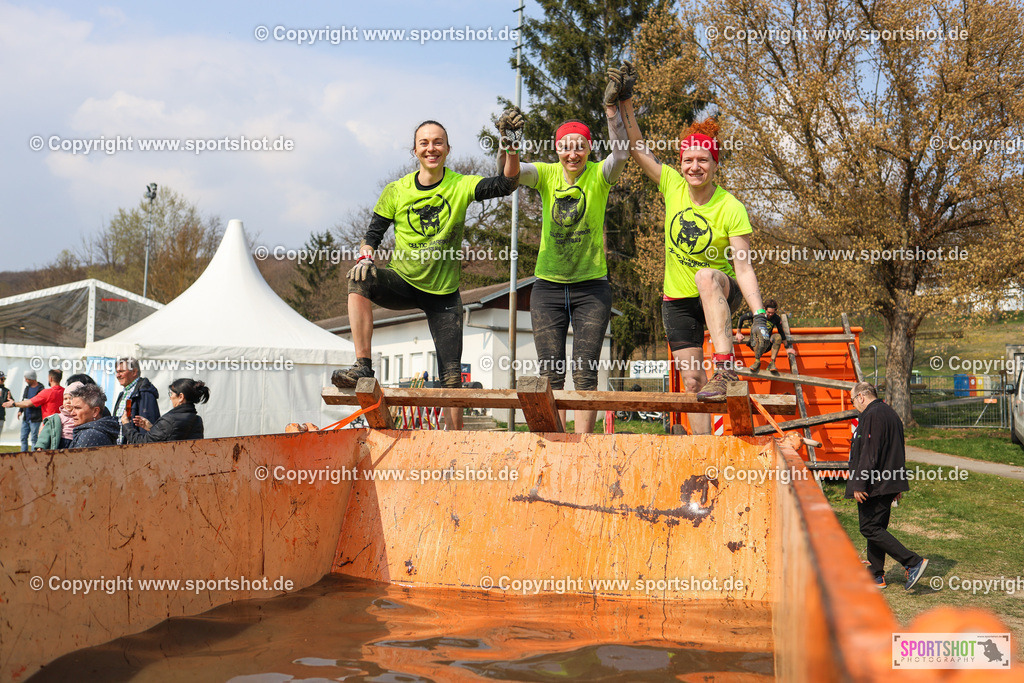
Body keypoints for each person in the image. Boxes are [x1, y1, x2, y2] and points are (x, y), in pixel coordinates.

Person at [332, 116, 522, 431]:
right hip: (403, 282)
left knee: (451, 379)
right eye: (424, 143)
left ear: (447, 149)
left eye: (437, 142)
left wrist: (511, 146)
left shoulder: (460, 185)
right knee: (358, 276)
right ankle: (363, 366)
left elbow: (506, 184)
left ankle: (455, 445)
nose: (431, 148)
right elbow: (372, 235)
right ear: (415, 150)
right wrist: (366, 257)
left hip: (444, 296)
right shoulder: (396, 190)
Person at [618, 66, 772, 431]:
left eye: (703, 160)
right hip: (677, 301)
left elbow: (744, 267)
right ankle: (702, 455)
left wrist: (760, 314)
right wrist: (625, 101)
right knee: (692, 383)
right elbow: (637, 146)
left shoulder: (730, 206)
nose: (694, 166)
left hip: (720, 289)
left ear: (715, 164)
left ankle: (725, 366)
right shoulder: (671, 184)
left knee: (705, 276)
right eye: (688, 160)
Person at [494, 71, 629, 434]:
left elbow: (622, 153)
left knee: (585, 370)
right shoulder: (547, 174)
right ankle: (554, 443)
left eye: (580, 146)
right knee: (550, 371)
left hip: (592, 289)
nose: (573, 152)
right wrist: (509, 141)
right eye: (566, 146)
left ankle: (583, 449)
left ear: (588, 149)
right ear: (557, 149)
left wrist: (612, 111)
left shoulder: (600, 175)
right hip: (548, 289)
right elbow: (510, 174)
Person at [846, 382, 929, 590]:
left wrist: (859, 483)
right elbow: (897, 450)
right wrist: (897, 484)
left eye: (852, 400)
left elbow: (869, 453)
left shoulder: (873, 415)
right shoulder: (890, 413)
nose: (853, 404)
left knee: (869, 527)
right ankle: (876, 575)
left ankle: (912, 562)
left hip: (875, 483)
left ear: (862, 397)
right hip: (888, 480)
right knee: (877, 528)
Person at [122, 378, 209, 443]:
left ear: (181, 397)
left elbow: (143, 443)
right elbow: (170, 436)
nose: (170, 397)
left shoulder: (169, 421)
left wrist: (126, 425)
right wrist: (152, 428)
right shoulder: (197, 420)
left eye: (171, 394)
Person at [734, 299, 794, 372]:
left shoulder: (776, 318)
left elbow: (781, 332)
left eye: (773, 313)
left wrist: (787, 347)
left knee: (778, 337)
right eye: (768, 312)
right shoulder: (757, 314)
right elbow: (742, 318)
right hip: (755, 343)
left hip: (767, 344)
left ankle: (772, 363)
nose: (770, 315)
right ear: (764, 309)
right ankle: (757, 361)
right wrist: (738, 332)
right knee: (758, 336)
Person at [112, 358, 160, 444]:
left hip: (136, 449)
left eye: (121, 371)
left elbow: (147, 428)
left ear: (134, 372)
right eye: (117, 372)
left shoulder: (144, 392)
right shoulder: (123, 393)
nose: (117, 375)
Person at [68, 384, 121, 448]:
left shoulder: (90, 435)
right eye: (72, 408)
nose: (72, 413)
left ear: (95, 411)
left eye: (78, 408)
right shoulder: (95, 431)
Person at [37, 381, 84, 450]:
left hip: (77, 443)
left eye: (71, 398)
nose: (68, 401)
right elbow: (46, 432)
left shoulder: (82, 416)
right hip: (62, 443)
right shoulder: (58, 417)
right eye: (65, 399)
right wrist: (41, 446)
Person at [16, 371, 44, 451]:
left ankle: (33, 457)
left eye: (27, 379)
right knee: (23, 438)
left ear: (32, 379)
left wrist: (30, 403)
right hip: (26, 418)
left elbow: (40, 403)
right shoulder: (27, 388)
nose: (25, 380)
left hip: (35, 419)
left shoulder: (41, 388)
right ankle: (23, 455)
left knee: (34, 439)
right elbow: (23, 400)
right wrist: (20, 410)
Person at [0, 371, 11, 439]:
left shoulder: (6, 390)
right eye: (1, 379)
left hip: (1, 416)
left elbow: (11, 402)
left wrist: (9, 401)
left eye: (4, 379)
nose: (3, 381)